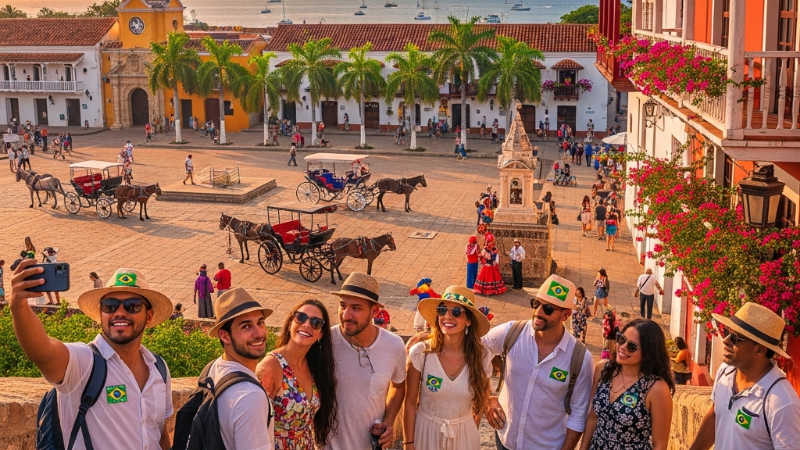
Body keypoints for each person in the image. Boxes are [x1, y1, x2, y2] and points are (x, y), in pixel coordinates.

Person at [8, 263, 174, 449]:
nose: (120, 313)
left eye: (132, 306)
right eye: (110, 306)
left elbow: (159, 434)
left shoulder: (158, 368)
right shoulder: (85, 363)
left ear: (148, 316)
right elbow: (42, 351)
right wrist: (19, 307)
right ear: (101, 314)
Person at [484, 275, 594, 450]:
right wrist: (486, 398)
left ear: (565, 314)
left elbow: (579, 413)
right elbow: (476, 351)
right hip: (506, 440)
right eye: (536, 304)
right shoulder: (511, 333)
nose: (538, 312)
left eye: (548, 308)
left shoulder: (580, 358)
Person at [689, 303, 800, 450]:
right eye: (727, 332)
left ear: (760, 350)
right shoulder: (725, 371)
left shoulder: (782, 402)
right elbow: (716, 415)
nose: (725, 340)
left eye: (735, 338)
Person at [404, 285, 493, 450]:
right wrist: (408, 444)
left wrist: (469, 429)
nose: (447, 316)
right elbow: (409, 402)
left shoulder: (482, 357)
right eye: (442, 310)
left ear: (468, 321)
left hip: (464, 437)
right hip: (426, 434)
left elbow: (480, 402)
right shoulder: (421, 353)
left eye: (456, 312)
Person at [327, 272, 406, 450]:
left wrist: (388, 421)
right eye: (342, 305)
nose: (346, 315)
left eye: (356, 308)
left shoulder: (393, 345)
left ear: (375, 311)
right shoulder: (326, 341)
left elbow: (398, 385)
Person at [580, 318, 675, 450]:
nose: (623, 347)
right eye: (621, 339)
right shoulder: (603, 369)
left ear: (647, 353)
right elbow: (593, 418)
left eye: (632, 346)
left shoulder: (656, 388)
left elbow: (659, 445)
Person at [257, 299, 338, 449]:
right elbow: (256, 425)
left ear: (320, 334)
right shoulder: (271, 366)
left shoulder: (315, 367)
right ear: (289, 324)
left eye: (316, 322)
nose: (306, 325)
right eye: (300, 317)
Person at [207, 288, 275, 450]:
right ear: (225, 336)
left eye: (260, 322)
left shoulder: (213, 368)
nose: (259, 333)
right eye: (246, 327)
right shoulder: (250, 396)